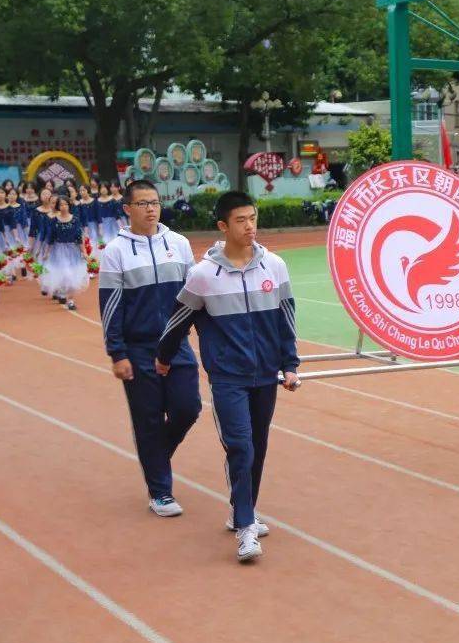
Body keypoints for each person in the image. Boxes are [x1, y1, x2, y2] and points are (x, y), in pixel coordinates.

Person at [156, 191, 300, 563]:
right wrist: (163, 357)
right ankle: (246, 526)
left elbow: (286, 318)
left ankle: (241, 509)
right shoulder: (203, 276)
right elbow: (178, 320)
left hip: (266, 374)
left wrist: (290, 364)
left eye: (253, 218)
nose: (250, 226)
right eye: (241, 220)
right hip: (228, 377)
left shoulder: (276, 267)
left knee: (259, 447)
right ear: (223, 226)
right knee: (240, 444)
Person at [99, 178, 202, 518]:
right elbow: (111, 306)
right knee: (148, 420)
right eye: (142, 203)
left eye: (155, 202)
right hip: (138, 348)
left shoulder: (179, 244)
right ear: (127, 209)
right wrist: (118, 353)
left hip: (176, 345)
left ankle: (156, 456)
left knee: (188, 408)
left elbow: (194, 296)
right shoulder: (115, 251)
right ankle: (160, 492)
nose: (151, 208)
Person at [39, 195, 89, 310]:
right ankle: (62, 292)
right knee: (64, 274)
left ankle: (70, 300)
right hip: (59, 250)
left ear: (69, 206)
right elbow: (50, 238)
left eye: (66, 204)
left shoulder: (75, 219)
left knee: (73, 276)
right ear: (58, 207)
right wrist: (47, 253)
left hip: (73, 250)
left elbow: (79, 237)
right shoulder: (54, 221)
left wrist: (84, 252)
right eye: (61, 205)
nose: (64, 207)